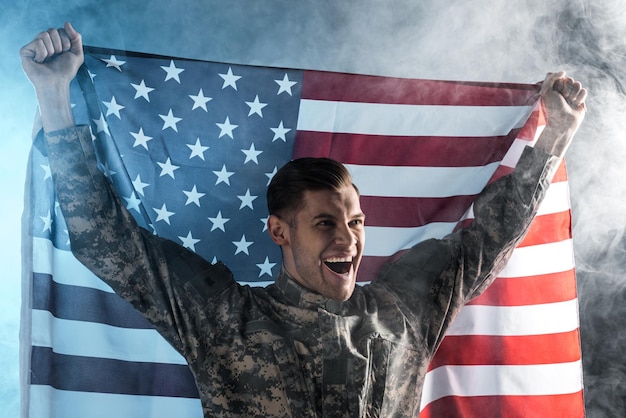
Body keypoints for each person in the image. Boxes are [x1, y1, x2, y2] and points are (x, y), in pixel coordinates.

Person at [21, 22, 587, 417]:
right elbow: (106, 239)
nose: (349, 239)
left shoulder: (404, 312)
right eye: (325, 224)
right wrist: (54, 97)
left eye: (356, 222)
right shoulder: (224, 317)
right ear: (280, 231)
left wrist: (556, 135)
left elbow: (488, 240)